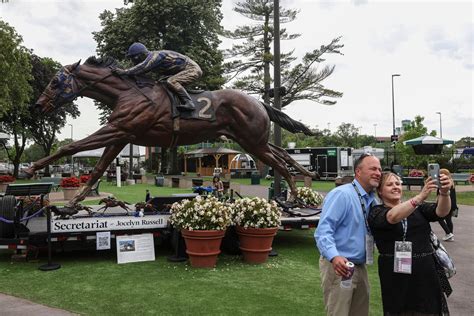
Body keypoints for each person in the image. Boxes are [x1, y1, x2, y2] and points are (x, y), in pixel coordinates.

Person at [368, 172, 452, 315]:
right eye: (389, 184)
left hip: (425, 270)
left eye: (397, 183)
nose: (395, 187)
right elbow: (393, 217)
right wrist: (419, 197)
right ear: (380, 191)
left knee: (429, 309)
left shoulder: (418, 208)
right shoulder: (377, 212)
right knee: (402, 310)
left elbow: (441, 212)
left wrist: (444, 193)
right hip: (396, 275)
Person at [315, 153, 382, 316]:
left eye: (380, 169)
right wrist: (334, 257)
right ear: (358, 172)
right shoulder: (342, 194)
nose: (378, 173)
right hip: (339, 266)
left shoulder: (373, 200)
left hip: (360, 266)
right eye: (373, 168)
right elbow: (323, 231)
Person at [112, 42, 202, 111]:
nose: (133, 60)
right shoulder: (151, 58)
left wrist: (124, 72)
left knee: (172, 81)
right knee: (160, 84)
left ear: (141, 55)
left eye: (134, 57)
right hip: (181, 71)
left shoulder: (155, 57)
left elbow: (142, 68)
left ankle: (189, 103)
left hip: (192, 69)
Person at [438, 168, 458, 241]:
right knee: (448, 219)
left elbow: (439, 194)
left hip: (445, 204)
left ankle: (448, 233)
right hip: (452, 203)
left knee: (439, 218)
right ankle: (450, 235)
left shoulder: (443, 183)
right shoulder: (451, 182)